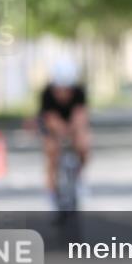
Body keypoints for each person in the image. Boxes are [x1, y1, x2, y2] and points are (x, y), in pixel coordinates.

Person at [39, 57, 90, 206]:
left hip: (72, 123)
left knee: (84, 145)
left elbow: (81, 115)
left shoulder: (79, 92)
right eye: (60, 89)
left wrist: (76, 133)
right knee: (51, 151)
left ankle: (79, 176)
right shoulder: (47, 93)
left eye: (67, 89)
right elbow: (50, 118)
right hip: (52, 125)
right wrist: (61, 132)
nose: (63, 93)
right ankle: (51, 190)